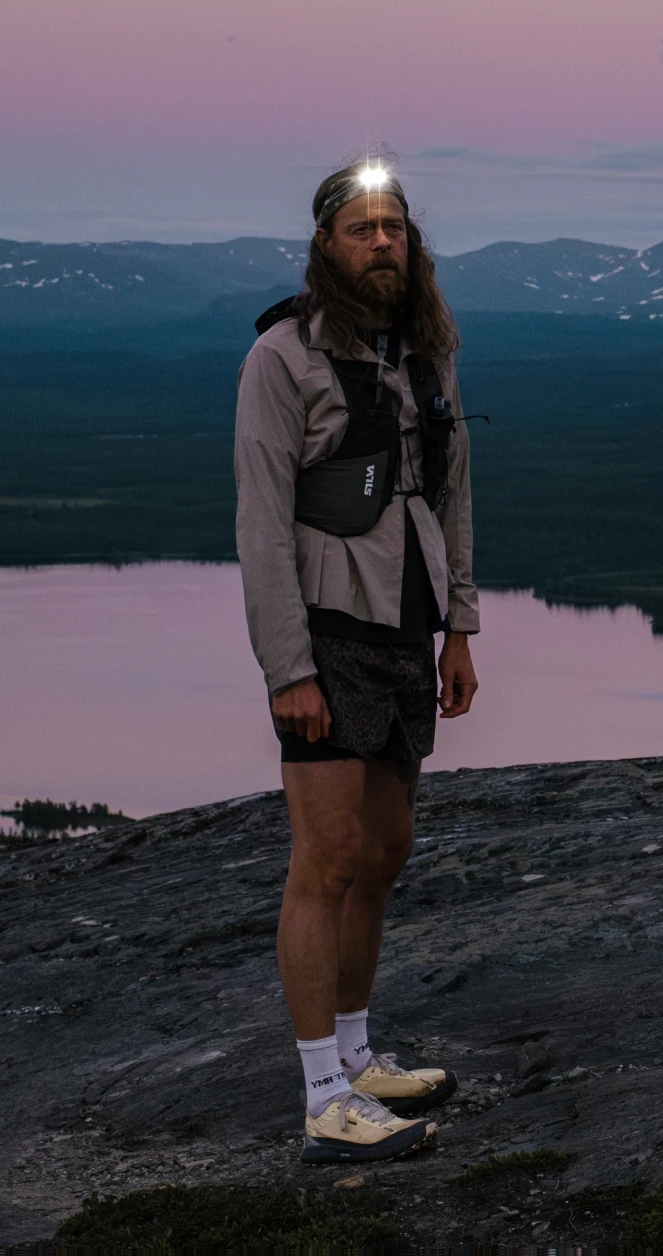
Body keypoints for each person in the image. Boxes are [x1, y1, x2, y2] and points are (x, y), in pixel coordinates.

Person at [234, 154, 480, 1164]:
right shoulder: (282, 358)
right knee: (327, 861)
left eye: (395, 229)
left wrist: (459, 627)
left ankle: (357, 1053)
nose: (382, 244)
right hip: (329, 632)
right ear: (325, 246)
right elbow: (260, 520)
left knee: (383, 852)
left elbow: (454, 493)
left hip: (407, 630)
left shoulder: (426, 353)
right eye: (362, 230)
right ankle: (323, 1095)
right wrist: (287, 668)